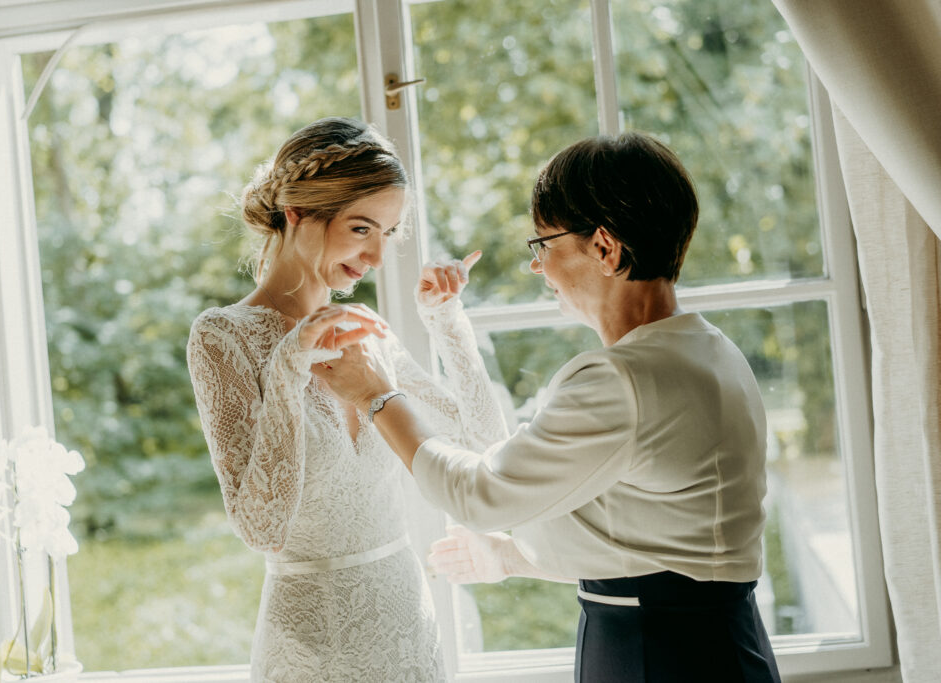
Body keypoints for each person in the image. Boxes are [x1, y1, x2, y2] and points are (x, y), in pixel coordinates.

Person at [315, 131, 782, 682]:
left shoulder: (623, 381)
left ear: (605, 248)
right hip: (712, 641)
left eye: (544, 245)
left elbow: (480, 492)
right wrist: (508, 558)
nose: (538, 268)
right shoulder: (713, 351)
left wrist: (374, 395)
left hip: (657, 654)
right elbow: (653, 544)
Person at [186, 117, 507, 682]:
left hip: (411, 634)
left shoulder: (366, 333)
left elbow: (484, 443)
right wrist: (287, 369)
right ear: (297, 213)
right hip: (309, 650)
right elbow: (262, 530)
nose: (378, 256)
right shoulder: (222, 337)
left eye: (389, 233)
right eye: (362, 228)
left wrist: (446, 323)